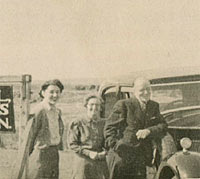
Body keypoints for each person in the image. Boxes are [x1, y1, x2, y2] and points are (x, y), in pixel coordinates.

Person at [104, 77, 168, 179]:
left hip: (141, 158)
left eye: (148, 89)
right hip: (121, 157)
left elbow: (163, 126)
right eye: (141, 90)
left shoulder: (154, 106)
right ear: (134, 92)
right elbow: (109, 128)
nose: (146, 92)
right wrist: (117, 146)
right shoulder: (124, 105)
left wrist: (149, 131)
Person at [27, 79, 64, 179]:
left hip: (54, 153)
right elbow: (30, 136)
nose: (55, 95)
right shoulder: (38, 110)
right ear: (43, 93)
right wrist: (28, 156)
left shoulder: (57, 111)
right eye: (51, 92)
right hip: (40, 154)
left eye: (58, 92)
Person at [68, 94, 109, 179]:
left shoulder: (105, 123)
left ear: (101, 108)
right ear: (86, 106)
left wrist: (105, 152)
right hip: (83, 163)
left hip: (99, 163)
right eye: (91, 105)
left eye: (97, 105)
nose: (94, 107)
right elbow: (72, 144)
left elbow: (108, 142)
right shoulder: (78, 123)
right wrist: (89, 153)